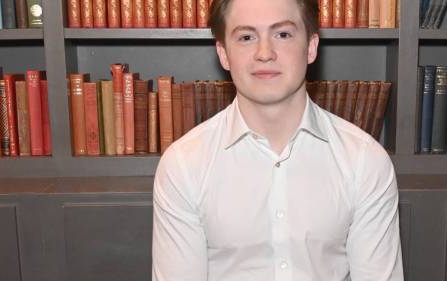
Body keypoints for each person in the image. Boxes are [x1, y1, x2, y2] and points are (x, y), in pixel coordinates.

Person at [152, 0, 404, 279]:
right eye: (247, 37)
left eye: (282, 34)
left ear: (311, 47)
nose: (265, 53)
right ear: (223, 54)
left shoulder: (365, 160)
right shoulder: (183, 165)